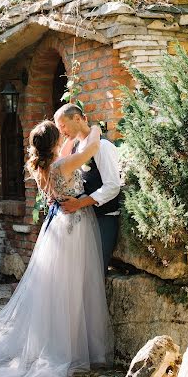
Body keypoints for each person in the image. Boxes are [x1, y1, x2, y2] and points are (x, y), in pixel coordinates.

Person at [0, 120, 113, 377]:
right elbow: (92, 147)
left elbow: (69, 151)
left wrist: (70, 136)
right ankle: (66, 351)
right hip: (73, 226)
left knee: (55, 288)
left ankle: (56, 344)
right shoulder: (62, 165)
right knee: (72, 287)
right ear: (54, 142)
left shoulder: (42, 166)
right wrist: (95, 126)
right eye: (60, 135)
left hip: (56, 225)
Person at [54, 104, 121, 275]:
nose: (61, 131)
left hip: (103, 220)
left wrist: (80, 203)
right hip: (83, 222)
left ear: (77, 118)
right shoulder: (77, 149)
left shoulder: (103, 146)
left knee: (95, 273)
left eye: (63, 126)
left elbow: (112, 186)